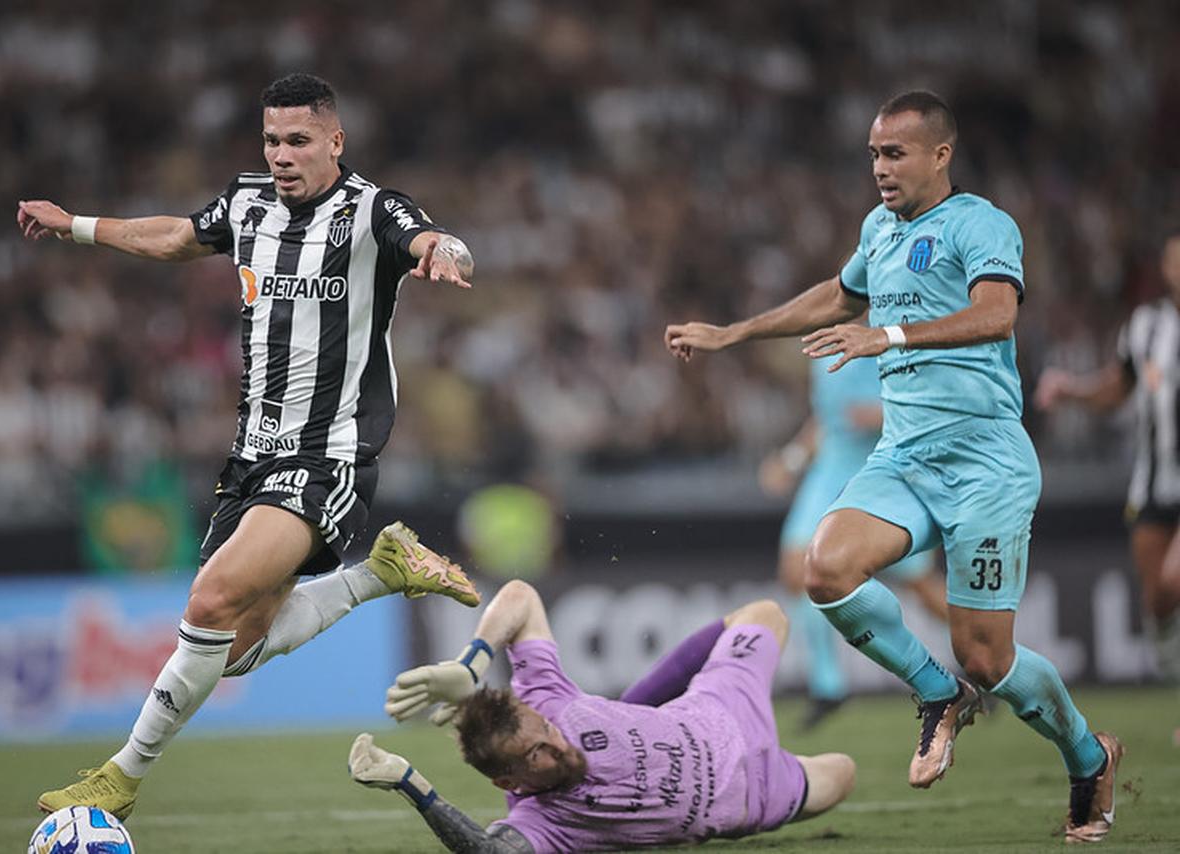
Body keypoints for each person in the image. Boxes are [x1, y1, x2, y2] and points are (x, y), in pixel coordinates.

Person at [18, 73, 482, 819]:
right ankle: (379, 572)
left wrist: (445, 252)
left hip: (329, 456)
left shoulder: (372, 210)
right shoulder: (247, 202)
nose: (282, 155)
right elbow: (176, 236)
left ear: (335, 140)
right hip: (251, 458)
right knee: (231, 651)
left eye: (298, 140)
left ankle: (121, 775)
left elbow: (430, 235)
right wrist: (77, 224)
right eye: (271, 140)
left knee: (209, 601)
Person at [664, 90, 1121, 843]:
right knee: (825, 570)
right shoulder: (878, 228)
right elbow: (840, 296)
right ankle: (936, 694)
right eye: (874, 154)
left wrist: (893, 336)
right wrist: (732, 333)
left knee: (989, 654)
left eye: (895, 153)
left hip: (984, 461)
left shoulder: (981, 223)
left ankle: (1086, 755)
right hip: (905, 457)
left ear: (941, 155)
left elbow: (997, 314)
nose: (880, 168)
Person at [349, 580, 856, 853]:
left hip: (718, 703)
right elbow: (489, 853)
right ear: (510, 780)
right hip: (755, 795)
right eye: (537, 755)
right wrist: (411, 784)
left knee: (765, 613)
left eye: (546, 732)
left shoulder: (546, 700)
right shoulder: (544, 824)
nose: (558, 745)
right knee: (843, 773)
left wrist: (472, 661)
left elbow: (521, 596)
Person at [762, 355, 949, 730]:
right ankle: (829, 685)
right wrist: (793, 459)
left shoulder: (888, 336)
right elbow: (827, 420)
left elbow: (928, 406)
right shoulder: (823, 349)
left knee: (920, 585)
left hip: (880, 474)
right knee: (795, 568)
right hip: (829, 473)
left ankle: (982, 660)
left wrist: (879, 415)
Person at [1036, 229, 1180, 682]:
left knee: (1175, 580)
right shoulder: (1146, 325)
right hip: (1153, 483)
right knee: (1157, 597)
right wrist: (1072, 391)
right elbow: (1118, 388)